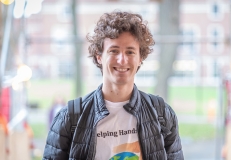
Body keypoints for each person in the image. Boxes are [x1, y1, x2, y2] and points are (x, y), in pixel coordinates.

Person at [42, 11, 184, 160]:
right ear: (99, 56)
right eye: (114, 51)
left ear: (140, 58)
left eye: (130, 52)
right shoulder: (70, 118)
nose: (122, 60)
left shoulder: (161, 114)